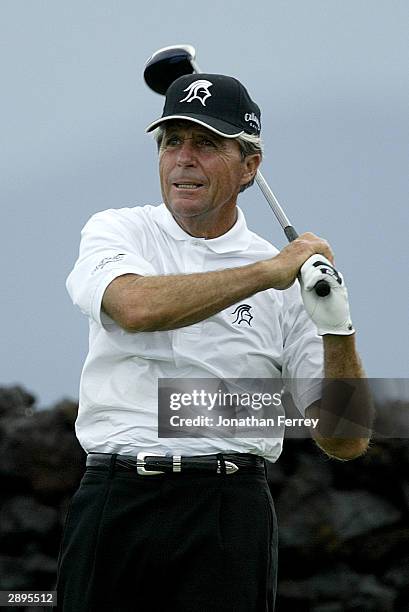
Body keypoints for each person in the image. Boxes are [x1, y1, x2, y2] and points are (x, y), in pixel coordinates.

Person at [56, 73, 372, 612]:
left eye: (206, 143)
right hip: (117, 497)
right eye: (171, 141)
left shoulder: (291, 278)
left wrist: (338, 327)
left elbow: (345, 439)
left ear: (250, 166)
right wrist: (267, 273)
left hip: (229, 512)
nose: (183, 157)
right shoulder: (119, 231)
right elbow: (136, 308)